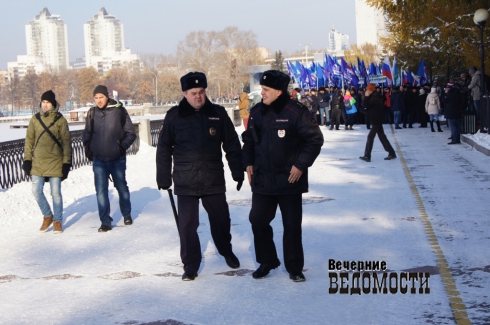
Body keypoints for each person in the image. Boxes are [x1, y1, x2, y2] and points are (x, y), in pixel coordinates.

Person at [156, 72, 244, 281]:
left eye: (202, 92)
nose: (198, 96)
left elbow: (231, 144)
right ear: (184, 93)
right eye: (194, 93)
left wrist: (237, 170)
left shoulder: (218, 114)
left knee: (221, 220)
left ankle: (226, 250)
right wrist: (163, 176)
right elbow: (164, 148)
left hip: (212, 178)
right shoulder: (174, 116)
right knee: (187, 226)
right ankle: (190, 265)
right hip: (185, 180)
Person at [242, 70, 324, 282]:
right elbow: (249, 141)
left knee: (292, 226)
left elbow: (314, 139)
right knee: (257, 220)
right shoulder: (257, 112)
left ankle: (295, 267)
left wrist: (300, 165)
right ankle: (267, 260)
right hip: (263, 179)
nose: (262, 92)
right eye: (262, 88)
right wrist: (248, 162)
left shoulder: (296, 112)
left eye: (266, 89)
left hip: (289, 179)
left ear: (279, 91)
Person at [82, 85, 137, 232]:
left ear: (107, 97)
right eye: (96, 98)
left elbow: (131, 133)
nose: (99, 101)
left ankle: (126, 213)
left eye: (101, 97)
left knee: (121, 187)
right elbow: (87, 132)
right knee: (101, 190)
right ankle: (105, 221)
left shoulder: (119, 111)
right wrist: (87, 146)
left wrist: (121, 147)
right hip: (99, 159)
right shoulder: (91, 113)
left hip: (117, 158)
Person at [22, 90, 72, 234]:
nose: (44, 105)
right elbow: (29, 141)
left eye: (47, 102)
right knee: (36, 191)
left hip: (56, 162)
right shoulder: (35, 119)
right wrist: (27, 159)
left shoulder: (60, 120)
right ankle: (47, 215)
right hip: (38, 163)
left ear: (53, 104)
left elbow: (66, 143)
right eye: (43, 102)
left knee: (55, 193)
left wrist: (66, 163)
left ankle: (57, 220)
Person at [359, 84, 397, 162]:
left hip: (376, 120)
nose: (366, 91)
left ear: (370, 90)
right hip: (376, 119)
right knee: (382, 137)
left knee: (370, 137)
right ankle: (391, 153)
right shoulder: (375, 96)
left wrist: (366, 96)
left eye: (367, 89)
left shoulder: (374, 98)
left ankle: (367, 155)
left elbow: (366, 105)